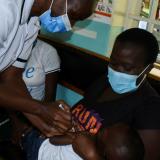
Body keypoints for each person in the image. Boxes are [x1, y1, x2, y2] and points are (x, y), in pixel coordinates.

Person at [0, 0, 97, 137]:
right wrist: (40, 109)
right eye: (73, 16)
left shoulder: (33, 24)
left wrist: (42, 123)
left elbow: (11, 78)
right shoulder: (4, 11)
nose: (71, 25)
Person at [70, 28, 160, 160]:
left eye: (127, 67)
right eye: (113, 63)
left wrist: (93, 156)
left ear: (148, 69)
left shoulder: (150, 108)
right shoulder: (105, 80)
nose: (117, 71)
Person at [10, 113, 145, 160]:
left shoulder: (85, 140)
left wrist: (72, 133)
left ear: (104, 151)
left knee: (27, 132)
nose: (104, 128)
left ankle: (20, 133)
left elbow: (53, 140)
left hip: (40, 151)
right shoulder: (97, 148)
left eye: (106, 131)